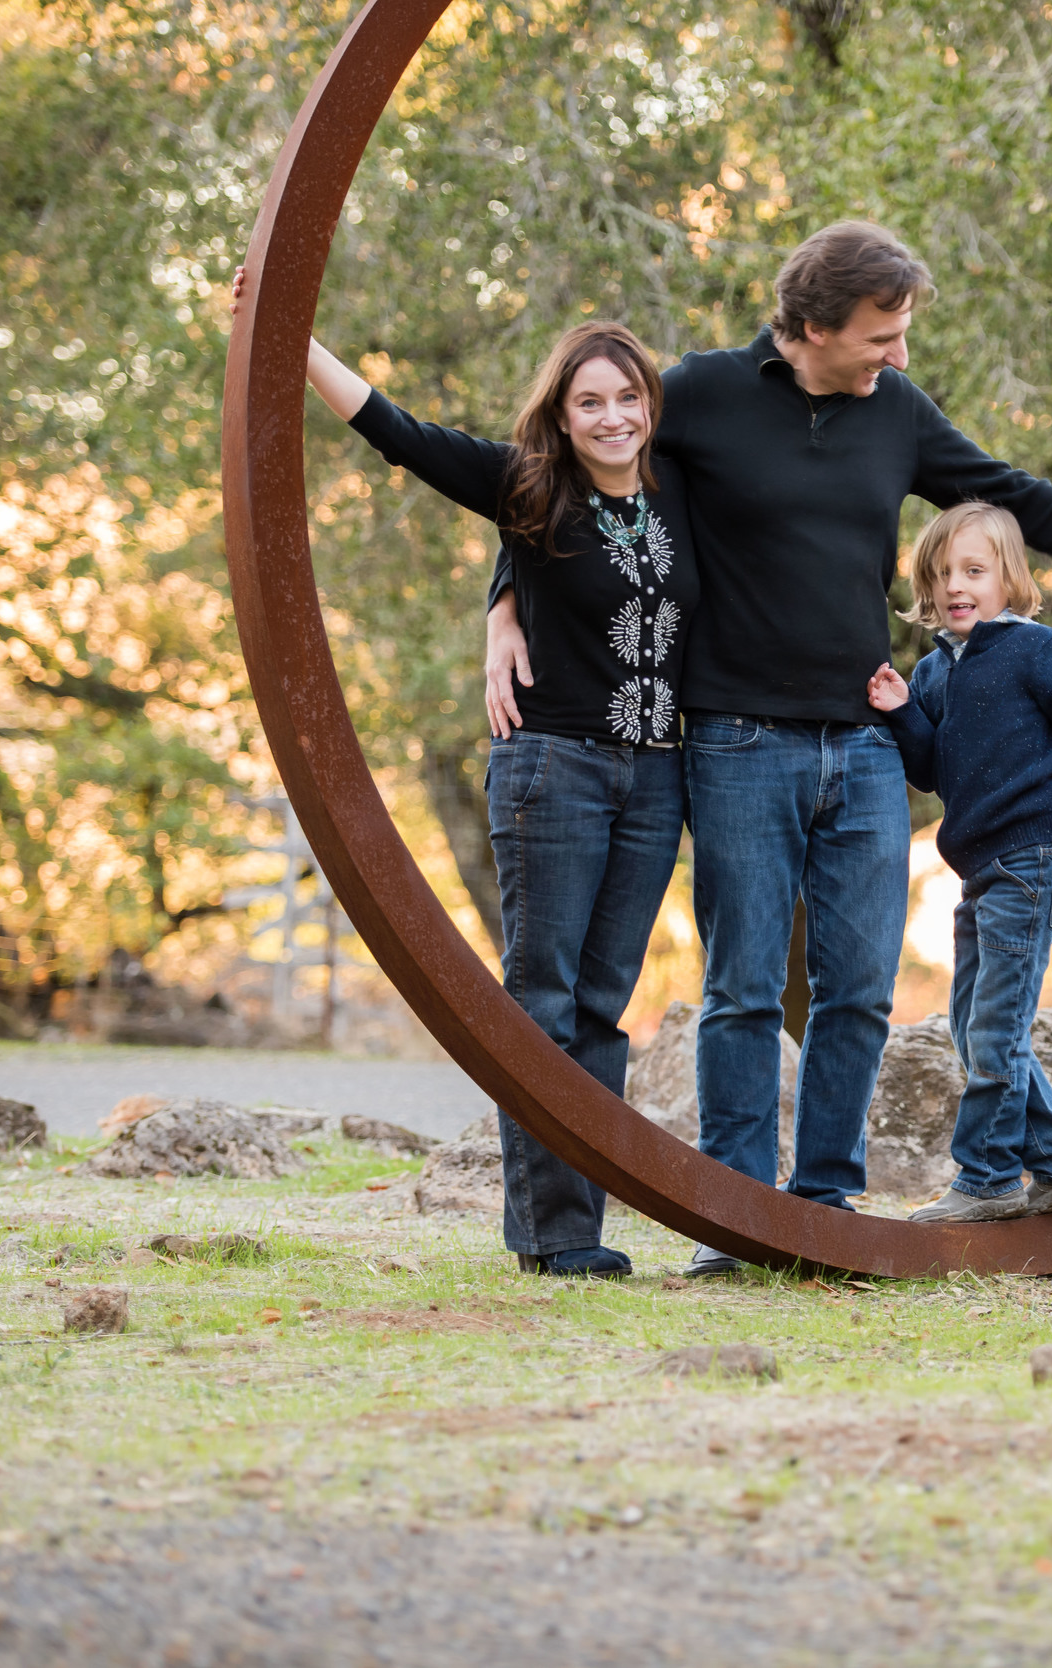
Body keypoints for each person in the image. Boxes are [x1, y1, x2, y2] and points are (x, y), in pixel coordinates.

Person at [486, 222, 1052, 1276]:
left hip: (866, 746)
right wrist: (504, 601)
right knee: (745, 987)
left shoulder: (894, 411)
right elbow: (570, 468)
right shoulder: (702, 394)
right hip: (737, 740)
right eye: (880, 335)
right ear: (811, 326)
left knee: (856, 989)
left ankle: (824, 1206)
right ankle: (738, 1216)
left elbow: (1010, 490)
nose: (897, 355)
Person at [247, 268, 692, 1279]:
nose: (613, 416)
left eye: (628, 397)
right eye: (590, 402)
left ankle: (582, 1221)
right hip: (554, 770)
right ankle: (553, 1236)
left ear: (651, 407)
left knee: (601, 1007)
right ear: (562, 415)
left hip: (657, 777)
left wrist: (504, 602)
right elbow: (393, 429)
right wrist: (286, 337)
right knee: (541, 999)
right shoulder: (525, 488)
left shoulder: (684, 498)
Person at [866, 502, 1052, 1222]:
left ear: (1010, 578)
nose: (955, 585)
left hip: (1038, 855)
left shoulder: (1036, 650)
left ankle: (989, 1177)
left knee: (995, 1025)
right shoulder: (938, 669)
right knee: (971, 1023)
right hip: (982, 870)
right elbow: (931, 770)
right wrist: (905, 708)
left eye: (974, 570)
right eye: (942, 573)